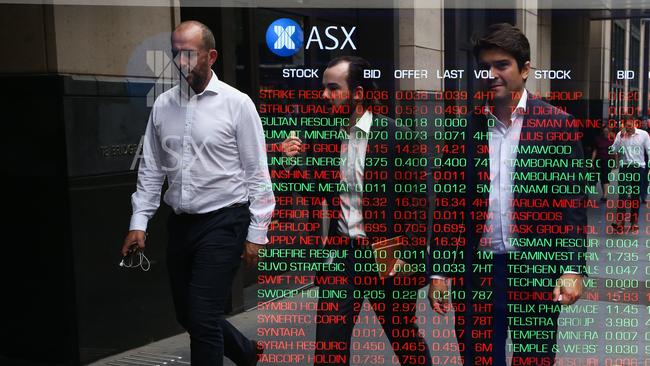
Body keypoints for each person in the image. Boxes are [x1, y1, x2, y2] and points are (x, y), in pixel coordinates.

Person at [427, 23, 587, 366]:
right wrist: (439, 273)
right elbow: (448, 210)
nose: (491, 74)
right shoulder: (465, 132)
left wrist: (573, 268)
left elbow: (571, 207)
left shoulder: (557, 126)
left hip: (535, 272)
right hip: (479, 274)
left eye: (501, 65)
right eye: (484, 66)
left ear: (525, 69)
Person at [121, 21, 274, 366]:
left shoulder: (238, 104)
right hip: (181, 224)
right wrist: (139, 223)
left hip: (224, 221)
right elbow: (151, 168)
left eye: (189, 53)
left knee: (203, 318)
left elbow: (257, 173)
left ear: (212, 56)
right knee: (188, 314)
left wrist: (257, 235)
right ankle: (245, 353)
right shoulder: (162, 105)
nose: (180, 60)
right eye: (176, 52)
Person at [281, 56, 432, 366]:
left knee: (406, 343)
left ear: (358, 93)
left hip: (387, 255)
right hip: (342, 256)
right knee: (328, 349)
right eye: (323, 88)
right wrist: (287, 163)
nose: (324, 95)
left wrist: (408, 253)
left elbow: (418, 204)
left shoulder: (396, 136)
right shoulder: (324, 138)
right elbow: (311, 192)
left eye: (333, 88)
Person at [610, 118, 650, 233]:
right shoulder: (620, 135)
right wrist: (620, 139)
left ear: (635, 124)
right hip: (625, 167)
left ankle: (634, 222)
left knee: (635, 196)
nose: (628, 128)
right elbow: (612, 150)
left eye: (630, 126)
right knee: (622, 194)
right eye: (626, 126)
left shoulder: (643, 135)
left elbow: (649, 150)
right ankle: (620, 222)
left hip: (639, 168)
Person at [591, 125, 614, 202]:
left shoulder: (612, 140)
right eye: (604, 131)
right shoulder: (598, 140)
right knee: (601, 177)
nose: (606, 132)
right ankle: (604, 193)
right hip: (599, 160)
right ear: (602, 132)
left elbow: (615, 152)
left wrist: (616, 162)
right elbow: (595, 151)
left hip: (608, 160)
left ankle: (605, 196)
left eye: (607, 131)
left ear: (609, 132)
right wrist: (592, 161)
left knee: (605, 176)